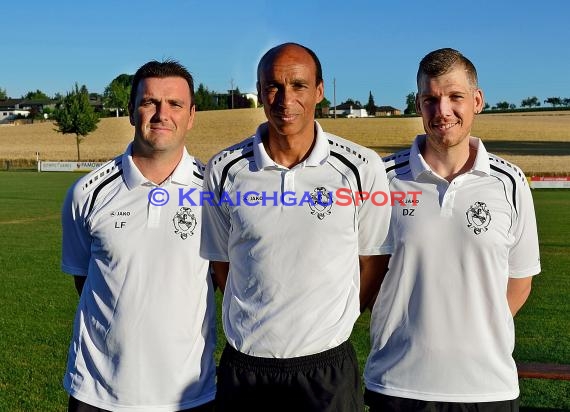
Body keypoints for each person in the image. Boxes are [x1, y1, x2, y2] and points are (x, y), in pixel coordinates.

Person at [200, 42, 391, 411]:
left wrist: (336, 321)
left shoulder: (360, 168)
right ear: (259, 93)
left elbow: (372, 262)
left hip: (327, 370)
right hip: (246, 368)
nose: (285, 99)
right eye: (273, 86)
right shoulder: (224, 170)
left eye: (299, 85)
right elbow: (222, 264)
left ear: (319, 91)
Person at [364, 48, 541, 411]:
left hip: (487, 389)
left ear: (477, 100)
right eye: (431, 99)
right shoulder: (382, 179)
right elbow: (364, 272)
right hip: (397, 385)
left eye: (454, 96)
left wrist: (475, 331)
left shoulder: (509, 181)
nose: (442, 110)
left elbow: (520, 280)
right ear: (419, 104)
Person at [61, 60, 216, 411]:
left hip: (188, 394)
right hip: (97, 394)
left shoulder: (215, 192)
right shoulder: (87, 193)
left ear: (191, 115)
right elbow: (84, 278)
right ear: (131, 111)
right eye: (149, 103)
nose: (162, 114)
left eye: (174, 104)